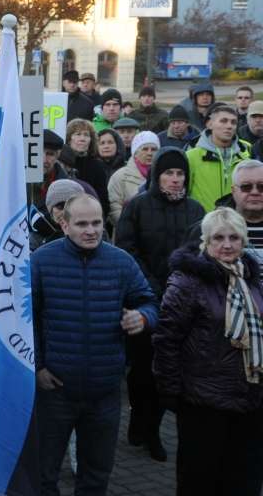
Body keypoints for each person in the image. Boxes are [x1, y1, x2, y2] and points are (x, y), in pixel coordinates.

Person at [31, 194, 158, 496]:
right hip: (55, 390)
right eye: (82, 224)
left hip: (104, 392)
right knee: (43, 474)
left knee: (96, 476)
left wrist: (142, 318)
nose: (91, 230)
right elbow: (26, 318)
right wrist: (37, 366)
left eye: (97, 223)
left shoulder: (121, 262)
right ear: (64, 225)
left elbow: (149, 301)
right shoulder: (42, 261)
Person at [154, 207, 263, 495]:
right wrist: (171, 391)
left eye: (234, 238)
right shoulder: (187, 281)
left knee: (243, 482)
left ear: (243, 241)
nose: (227, 245)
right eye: (218, 238)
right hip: (203, 402)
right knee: (199, 481)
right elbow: (167, 339)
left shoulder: (251, 277)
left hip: (249, 400)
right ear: (205, 241)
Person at [114, 147, 205, 462]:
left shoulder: (196, 210)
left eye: (180, 174)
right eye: (169, 173)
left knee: (168, 372)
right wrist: (154, 288)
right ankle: (138, 421)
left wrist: (180, 287)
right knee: (142, 372)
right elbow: (126, 250)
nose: (175, 179)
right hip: (145, 302)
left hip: (183, 302)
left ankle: (152, 430)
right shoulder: (137, 206)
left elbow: (199, 252)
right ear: (156, 176)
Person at [187, 103, 253, 212]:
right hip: (202, 224)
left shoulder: (245, 156)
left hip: (236, 223)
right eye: (223, 121)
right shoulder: (191, 156)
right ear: (210, 124)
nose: (229, 126)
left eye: (233, 122)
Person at [107, 131, 159, 228]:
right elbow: (114, 207)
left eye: (154, 149)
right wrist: (128, 227)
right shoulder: (120, 176)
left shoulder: (164, 175)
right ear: (135, 153)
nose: (149, 153)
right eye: (145, 149)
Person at [60, 118, 111, 215]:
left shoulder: (97, 165)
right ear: (69, 138)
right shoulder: (60, 163)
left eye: (86, 135)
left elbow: (103, 199)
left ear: (91, 140)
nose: (82, 138)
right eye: (78, 134)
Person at [32, 179, 85, 250]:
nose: (65, 212)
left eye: (72, 205)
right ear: (50, 209)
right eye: (60, 206)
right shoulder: (35, 239)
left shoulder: (93, 233)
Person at [29, 130, 69, 212]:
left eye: (50, 154)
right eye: (38, 152)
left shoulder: (65, 187)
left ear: (57, 156)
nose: (43, 160)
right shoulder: (15, 181)